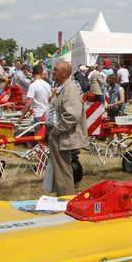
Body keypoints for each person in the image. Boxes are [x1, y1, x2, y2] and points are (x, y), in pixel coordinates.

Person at [47, 61, 87, 196]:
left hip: (62, 136)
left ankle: (65, 200)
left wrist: (56, 130)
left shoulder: (69, 89)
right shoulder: (64, 87)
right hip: (59, 135)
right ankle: (62, 197)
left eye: (56, 70)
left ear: (65, 73)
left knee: (63, 172)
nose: (53, 72)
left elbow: (72, 115)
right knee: (59, 171)